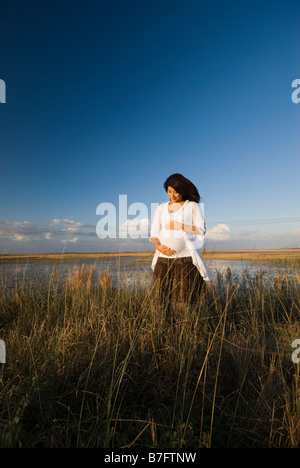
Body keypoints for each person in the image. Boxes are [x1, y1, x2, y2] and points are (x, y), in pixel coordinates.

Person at [149, 173, 212, 314]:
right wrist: (158, 246)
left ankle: (185, 331)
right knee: (160, 300)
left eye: (176, 191)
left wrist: (180, 225)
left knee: (185, 301)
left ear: (183, 190)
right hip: (163, 260)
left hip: (186, 260)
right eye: (170, 191)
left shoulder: (193, 206)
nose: (173, 195)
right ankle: (163, 331)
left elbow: (201, 230)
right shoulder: (160, 208)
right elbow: (154, 233)